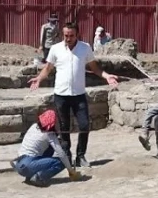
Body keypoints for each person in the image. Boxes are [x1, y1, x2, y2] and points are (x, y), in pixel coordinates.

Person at [30, 22, 121, 168]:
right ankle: (67, 155)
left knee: (84, 125)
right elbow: (47, 69)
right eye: (66, 35)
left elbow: (95, 68)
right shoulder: (55, 49)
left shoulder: (85, 48)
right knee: (64, 127)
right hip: (61, 95)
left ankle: (81, 156)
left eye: (71, 35)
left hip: (79, 95)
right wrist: (39, 78)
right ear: (62, 35)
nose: (68, 38)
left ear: (77, 34)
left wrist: (107, 76)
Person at [11, 109, 81, 187]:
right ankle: (39, 177)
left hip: (20, 162)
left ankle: (30, 176)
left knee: (49, 148)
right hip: (28, 164)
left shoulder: (34, 126)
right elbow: (61, 154)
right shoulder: (49, 135)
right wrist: (71, 170)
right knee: (61, 162)